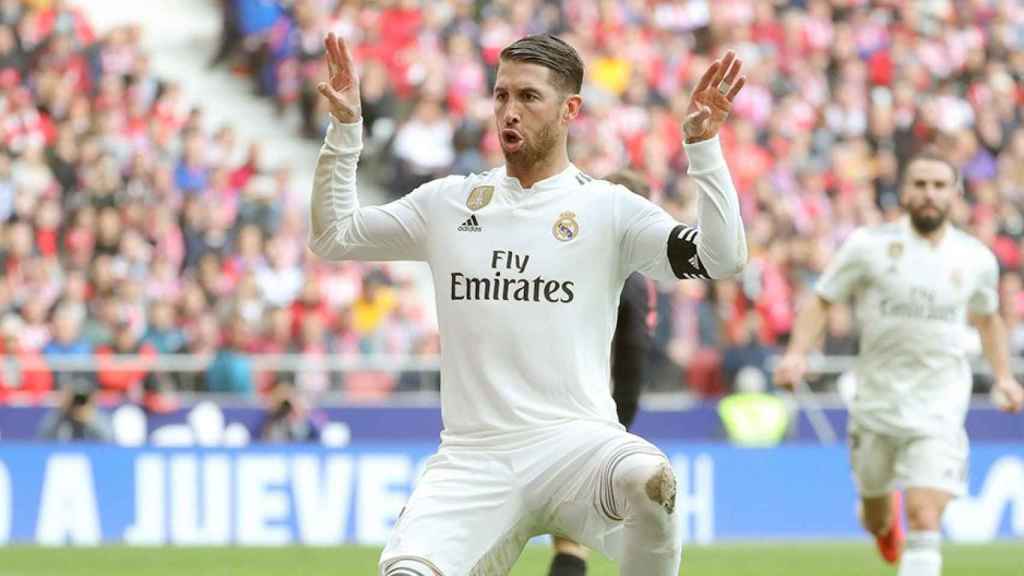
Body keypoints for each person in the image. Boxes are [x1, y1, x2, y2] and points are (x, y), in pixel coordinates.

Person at [311, 32, 748, 576]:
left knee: (648, 479)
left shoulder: (609, 209)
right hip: (474, 459)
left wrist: (704, 149)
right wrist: (345, 130)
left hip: (577, 445)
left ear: (570, 110)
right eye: (500, 96)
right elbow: (335, 236)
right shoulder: (448, 203)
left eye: (528, 97)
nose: (508, 112)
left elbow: (722, 258)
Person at [774, 153, 1024, 576]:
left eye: (939, 185)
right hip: (876, 403)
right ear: (904, 192)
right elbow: (823, 299)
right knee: (875, 517)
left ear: (956, 194)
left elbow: (988, 318)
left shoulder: (975, 258)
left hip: (939, 405)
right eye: (920, 184)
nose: (929, 194)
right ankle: (884, 522)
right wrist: (797, 354)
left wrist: (1003, 377)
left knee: (925, 515)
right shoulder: (868, 247)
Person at [546, 169, 658, 576]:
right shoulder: (631, 278)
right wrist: (619, 428)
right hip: (585, 415)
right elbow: (632, 360)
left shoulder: (555, 257)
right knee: (573, 537)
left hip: (524, 407)